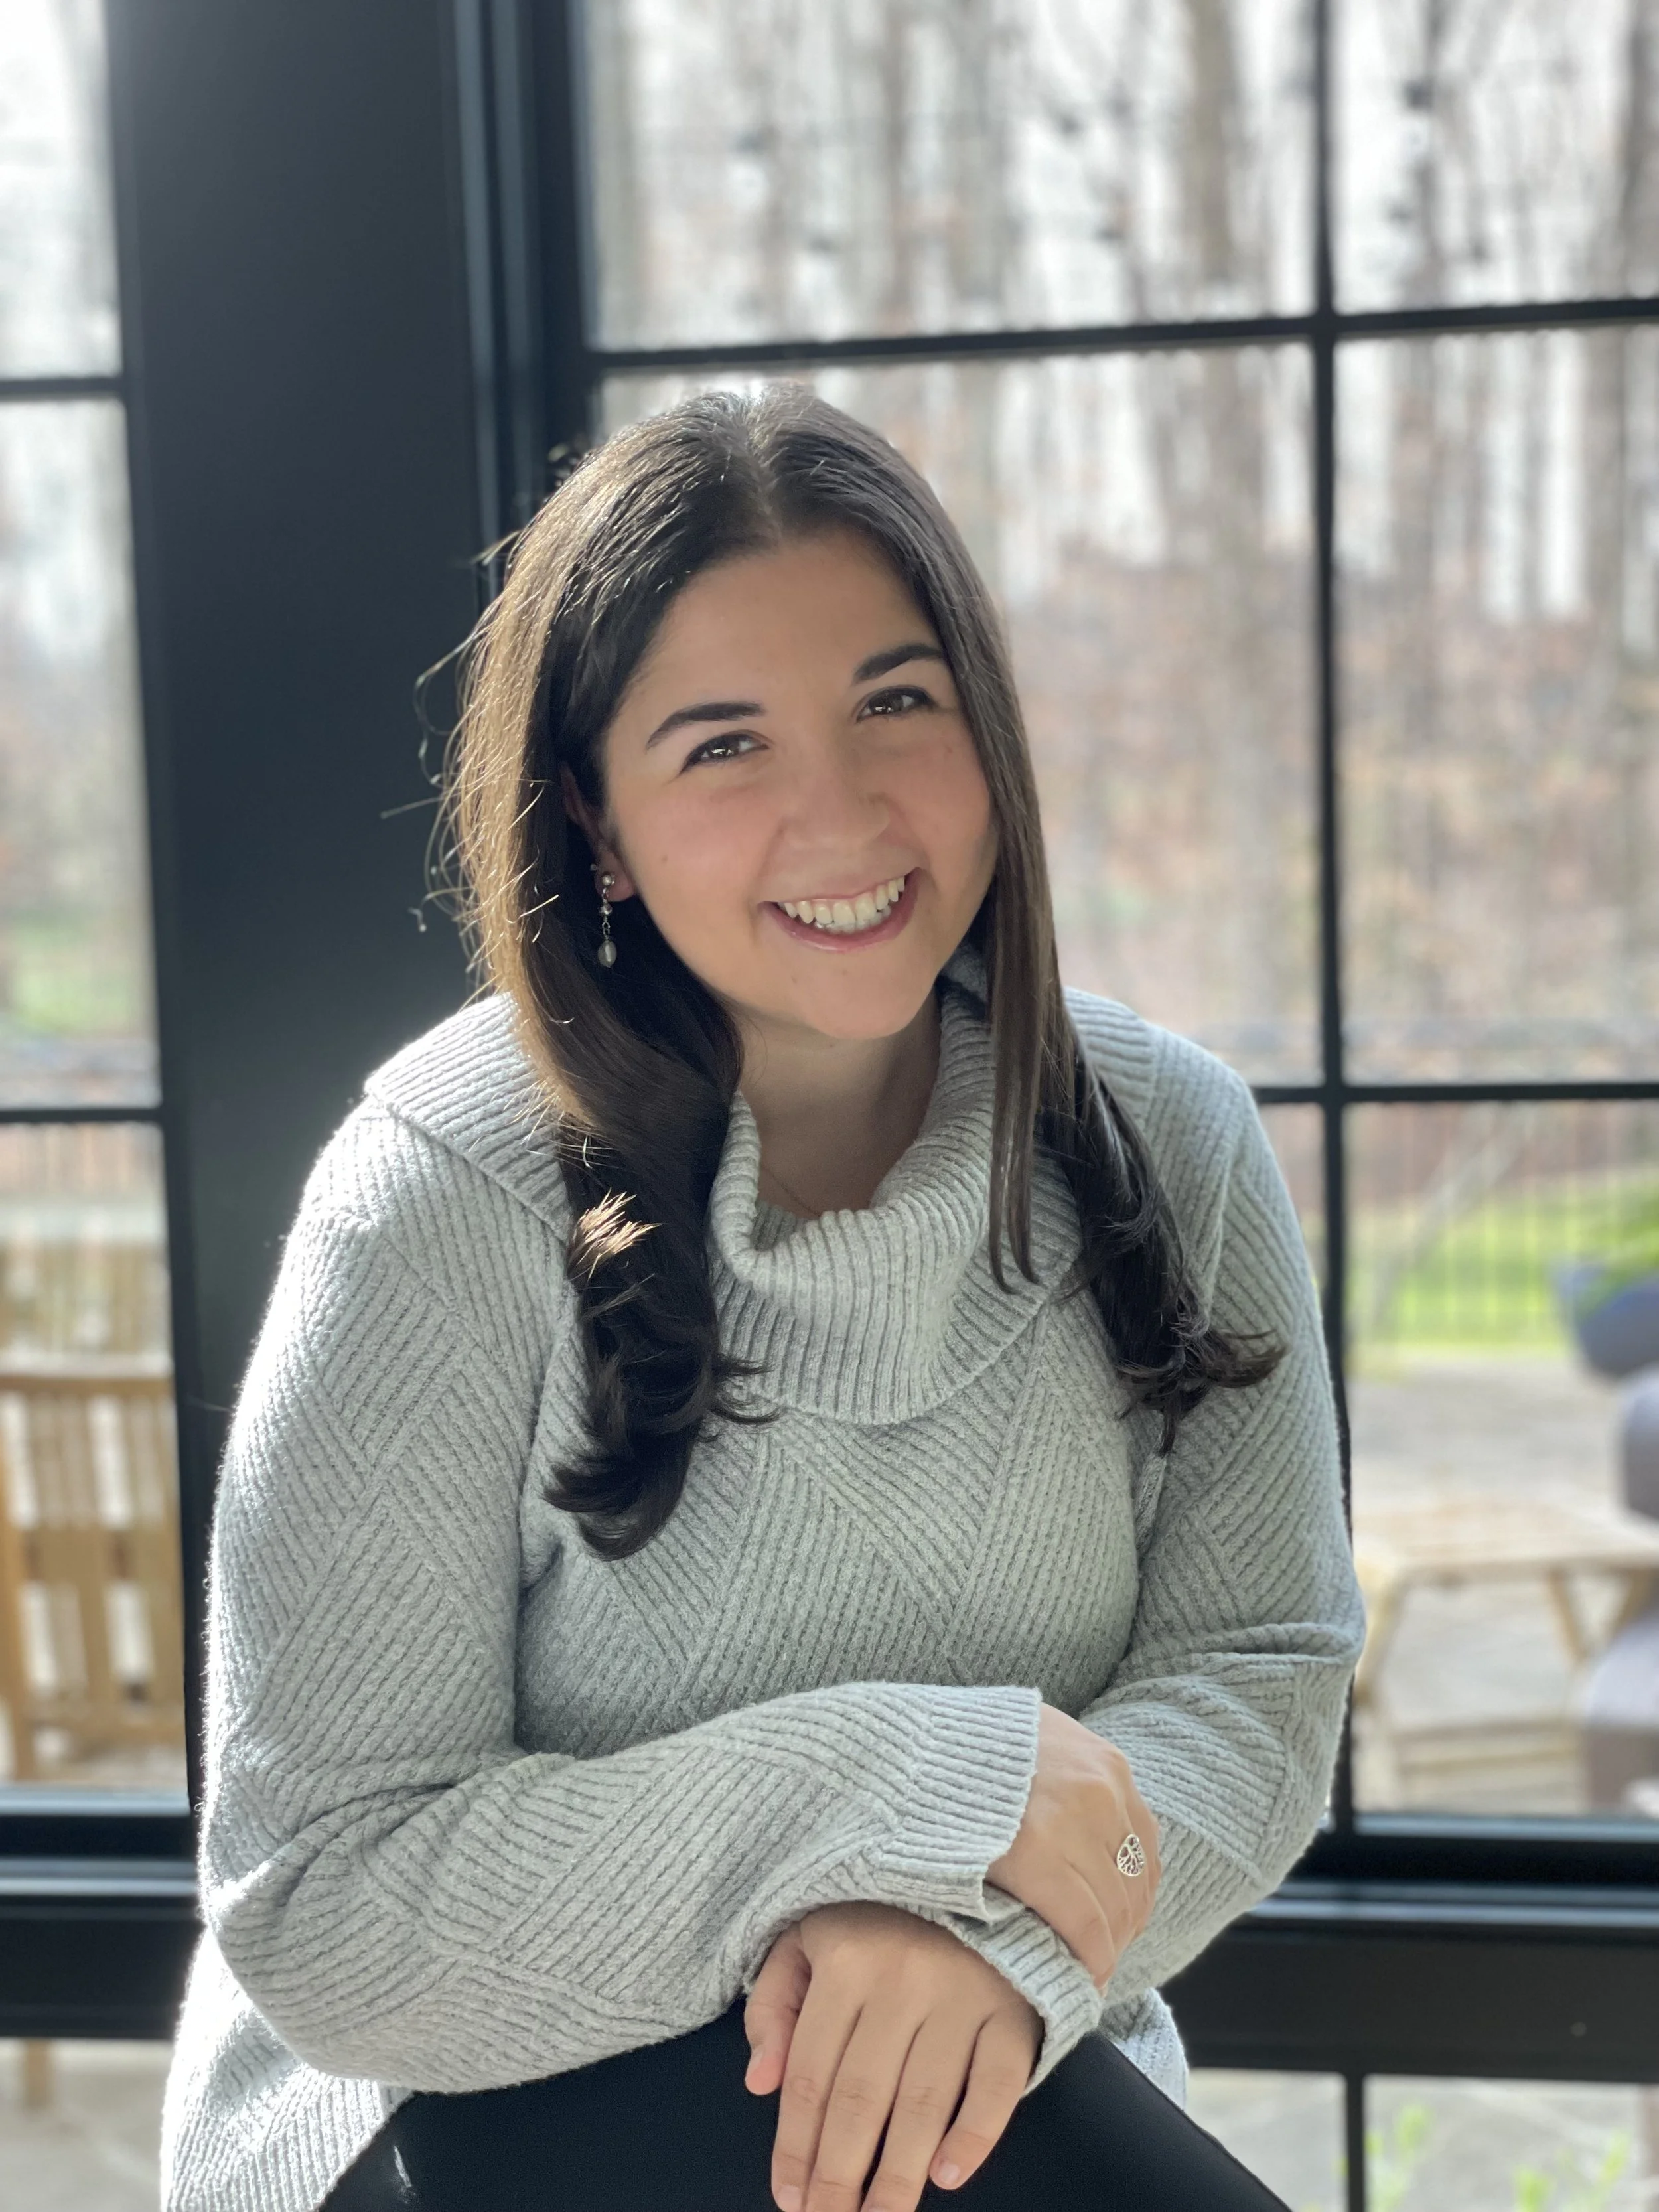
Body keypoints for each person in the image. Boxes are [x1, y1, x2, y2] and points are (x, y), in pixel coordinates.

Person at [159, 385, 1366, 2212]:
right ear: (598, 818)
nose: (841, 812)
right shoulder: (437, 1193)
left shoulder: (1169, 1142)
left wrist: (984, 1950)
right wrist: (920, 1785)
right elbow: (324, 1897)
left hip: (990, 2087)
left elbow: (1256, 1674)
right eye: (722, 743)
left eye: (897, 702)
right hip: (442, 2106)